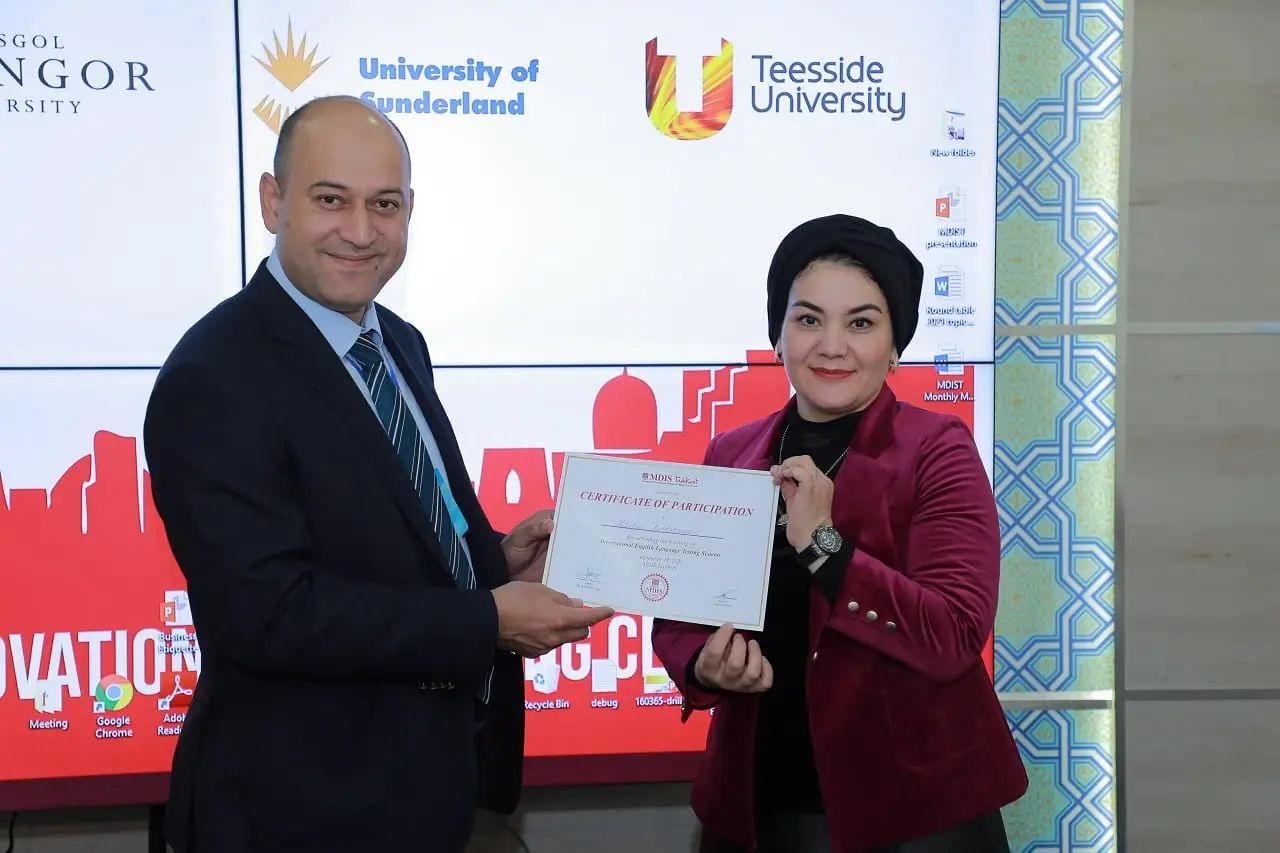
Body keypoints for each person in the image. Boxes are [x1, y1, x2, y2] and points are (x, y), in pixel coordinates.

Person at [143, 95, 612, 852]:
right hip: (295, 812)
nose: (361, 232)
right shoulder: (215, 375)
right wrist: (487, 619)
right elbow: (268, 614)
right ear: (273, 202)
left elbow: (389, 537)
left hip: (424, 790)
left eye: (384, 205)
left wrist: (494, 563)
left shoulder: (397, 341)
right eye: (331, 200)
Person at [652, 214, 1028, 852]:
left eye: (860, 323)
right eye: (808, 319)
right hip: (755, 805)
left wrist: (823, 545)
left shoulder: (937, 449)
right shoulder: (733, 453)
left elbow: (954, 635)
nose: (831, 346)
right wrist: (702, 665)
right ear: (777, 335)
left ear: (895, 344)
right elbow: (682, 617)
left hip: (916, 818)